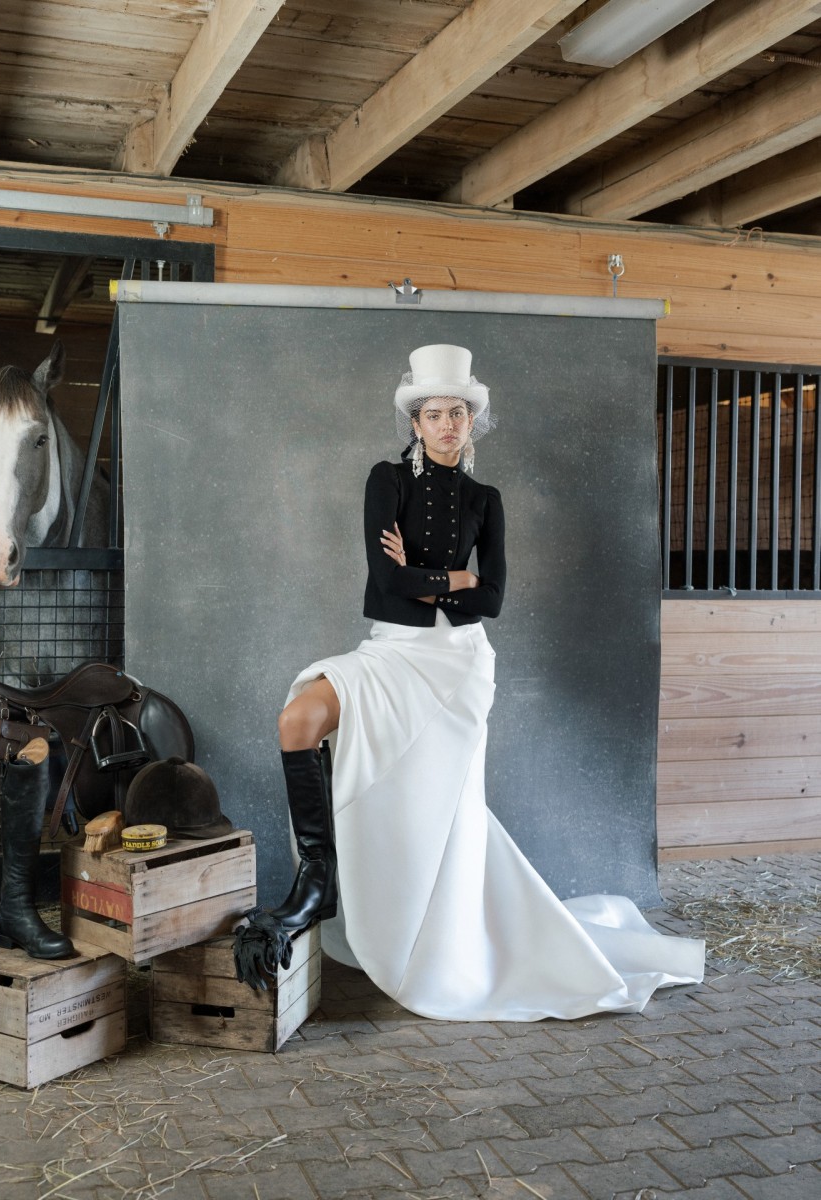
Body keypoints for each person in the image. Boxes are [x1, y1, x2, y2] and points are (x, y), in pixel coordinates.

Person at [242, 343, 704, 1020]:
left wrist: (435, 580)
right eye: (434, 414)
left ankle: (441, 936)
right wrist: (458, 577)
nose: (447, 425)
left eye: (458, 413)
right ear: (416, 423)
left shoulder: (486, 500)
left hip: (458, 663)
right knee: (299, 720)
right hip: (393, 651)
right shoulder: (385, 482)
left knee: (441, 807)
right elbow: (388, 582)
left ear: (471, 421)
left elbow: (492, 599)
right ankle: (318, 881)